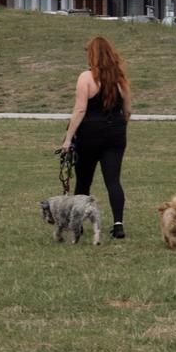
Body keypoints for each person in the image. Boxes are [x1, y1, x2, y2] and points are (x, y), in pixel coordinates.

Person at [62, 36, 132, 243]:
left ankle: (78, 225)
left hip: (89, 135)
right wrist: (119, 129)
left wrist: (68, 138)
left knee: (84, 181)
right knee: (113, 180)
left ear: (92, 55)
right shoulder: (121, 79)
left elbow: (80, 108)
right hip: (115, 135)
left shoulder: (86, 77)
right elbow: (127, 111)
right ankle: (118, 224)